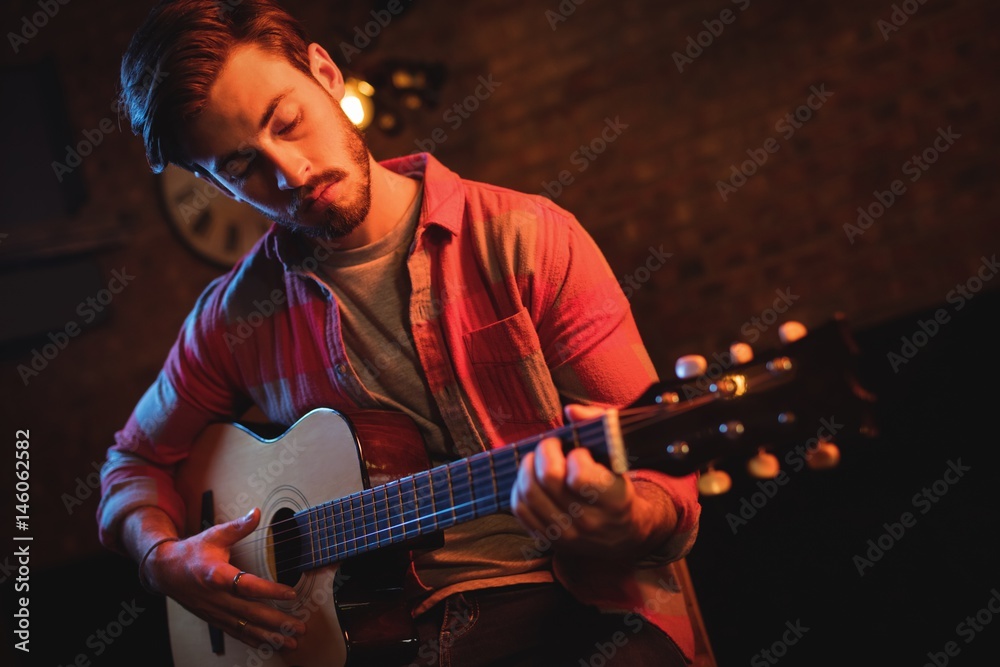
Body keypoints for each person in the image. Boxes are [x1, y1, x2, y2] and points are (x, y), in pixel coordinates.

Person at [98, 1, 701, 664]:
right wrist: (161, 557)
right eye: (242, 167)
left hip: (568, 603)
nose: (291, 173)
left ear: (325, 73)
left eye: (288, 121)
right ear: (212, 181)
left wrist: (627, 516)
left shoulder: (530, 240)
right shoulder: (230, 319)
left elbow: (664, 489)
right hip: (369, 638)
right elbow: (132, 462)